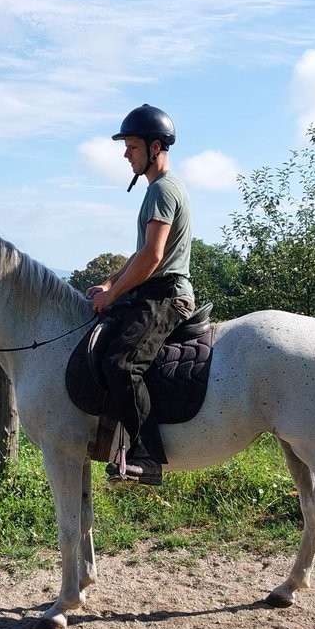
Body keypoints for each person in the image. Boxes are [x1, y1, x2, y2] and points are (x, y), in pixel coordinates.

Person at [87, 104, 195, 485]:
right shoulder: (160, 190)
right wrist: (110, 281)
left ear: (154, 148)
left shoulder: (162, 191)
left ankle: (147, 457)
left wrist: (113, 295)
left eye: (131, 146)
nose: (125, 154)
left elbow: (153, 256)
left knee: (121, 364)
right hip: (155, 290)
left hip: (166, 296)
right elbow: (140, 252)